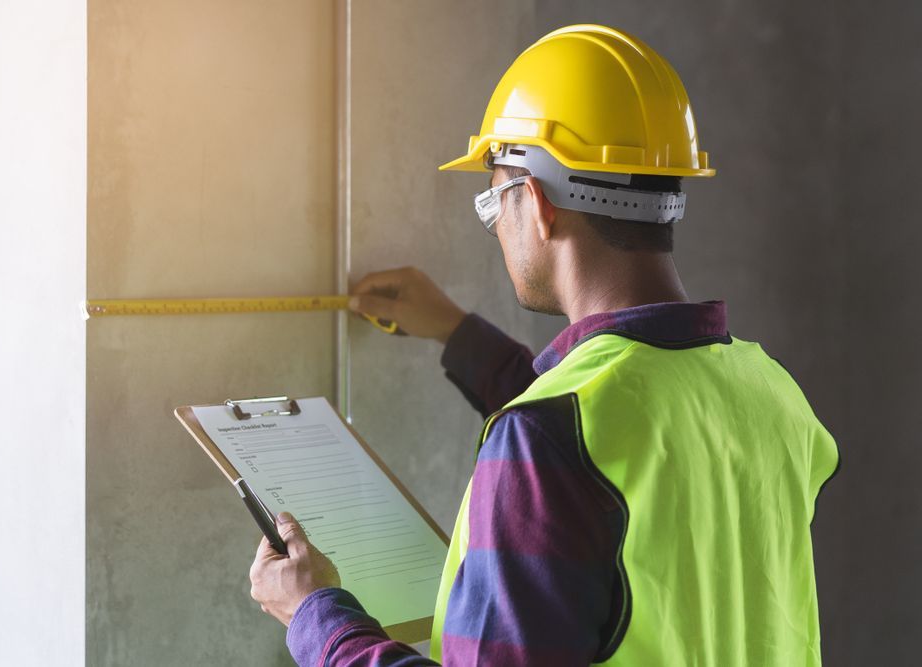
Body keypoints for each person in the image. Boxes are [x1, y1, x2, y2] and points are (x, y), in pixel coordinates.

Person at [248, 24, 839, 666]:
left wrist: (317, 618)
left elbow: (568, 447)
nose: (496, 228)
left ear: (535, 202)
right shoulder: (771, 397)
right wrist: (454, 329)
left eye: (491, 200)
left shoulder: (549, 438)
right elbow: (610, 449)